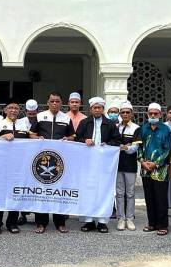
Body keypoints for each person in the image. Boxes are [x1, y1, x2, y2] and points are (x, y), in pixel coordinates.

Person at [29, 91, 75, 234]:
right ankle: (41, 223)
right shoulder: (40, 116)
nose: (55, 103)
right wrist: (37, 139)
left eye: (57, 101)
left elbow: (72, 136)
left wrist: (68, 140)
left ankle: (60, 223)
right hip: (42, 160)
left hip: (59, 161)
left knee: (59, 191)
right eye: (52, 101)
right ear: (47, 103)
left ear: (62, 103)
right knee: (41, 191)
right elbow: (31, 134)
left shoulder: (66, 118)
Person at [75, 97, 121, 233]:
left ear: (103, 109)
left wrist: (107, 144)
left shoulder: (110, 124)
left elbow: (117, 140)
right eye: (94, 107)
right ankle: (88, 221)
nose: (97, 109)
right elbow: (77, 139)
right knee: (88, 189)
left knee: (103, 190)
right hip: (88, 163)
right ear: (90, 109)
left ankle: (102, 221)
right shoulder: (84, 123)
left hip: (104, 163)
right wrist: (85, 140)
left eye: (99, 107)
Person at [0, 99, 30, 234]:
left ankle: (12, 223)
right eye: (10, 108)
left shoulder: (24, 125)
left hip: (19, 167)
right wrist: (2, 137)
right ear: (5, 110)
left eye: (16, 108)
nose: (13, 110)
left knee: (15, 194)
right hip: (1, 167)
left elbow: (31, 142)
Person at [138, 103, 171, 236]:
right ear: (147, 114)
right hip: (145, 169)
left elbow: (168, 150)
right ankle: (151, 223)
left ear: (160, 115)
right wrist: (142, 161)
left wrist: (156, 164)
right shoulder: (143, 129)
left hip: (160, 171)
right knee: (149, 197)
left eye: (155, 113)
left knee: (161, 198)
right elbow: (138, 146)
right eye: (150, 113)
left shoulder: (165, 130)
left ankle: (162, 225)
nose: (153, 115)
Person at [115, 101, 141, 231]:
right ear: (120, 113)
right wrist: (125, 146)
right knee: (119, 193)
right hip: (117, 165)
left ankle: (130, 218)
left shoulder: (136, 128)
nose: (125, 114)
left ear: (132, 113)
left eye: (127, 112)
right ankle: (121, 218)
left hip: (130, 165)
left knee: (130, 193)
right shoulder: (115, 127)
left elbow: (134, 148)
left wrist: (123, 147)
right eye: (123, 112)